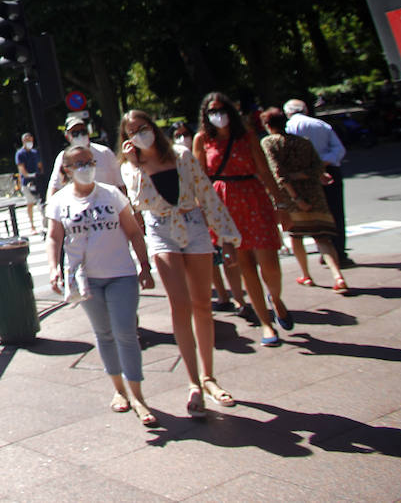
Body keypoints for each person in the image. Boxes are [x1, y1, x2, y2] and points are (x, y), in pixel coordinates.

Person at [118, 108, 242, 418]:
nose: (140, 134)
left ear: (153, 127)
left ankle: (209, 376)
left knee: (203, 304)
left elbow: (206, 194)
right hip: (161, 230)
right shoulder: (130, 168)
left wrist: (226, 236)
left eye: (143, 127)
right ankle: (193, 382)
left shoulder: (181, 155)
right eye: (132, 132)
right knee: (180, 305)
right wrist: (136, 164)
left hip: (194, 225)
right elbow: (139, 202)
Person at [46, 146, 157, 427]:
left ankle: (138, 396)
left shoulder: (111, 194)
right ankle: (119, 389)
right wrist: (54, 268)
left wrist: (144, 266)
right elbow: (54, 237)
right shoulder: (59, 201)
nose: (86, 167)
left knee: (126, 332)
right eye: (79, 163)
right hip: (86, 278)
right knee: (104, 334)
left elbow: (133, 231)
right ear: (67, 170)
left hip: (121, 274)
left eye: (89, 162)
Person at [194, 91, 291, 346]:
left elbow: (264, 170)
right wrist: (203, 212)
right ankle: (266, 323)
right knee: (245, 264)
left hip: (253, 198)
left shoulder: (246, 136)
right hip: (224, 205)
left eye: (221, 110)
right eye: (212, 111)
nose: (218, 115)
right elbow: (199, 179)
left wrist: (281, 203)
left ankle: (275, 299)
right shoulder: (202, 139)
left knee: (270, 264)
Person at [261, 107, 349, 292]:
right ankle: (338, 276)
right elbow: (318, 168)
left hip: (290, 197)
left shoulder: (269, 142)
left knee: (296, 236)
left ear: (268, 125)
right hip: (314, 193)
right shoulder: (304, 142)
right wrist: (304, 174)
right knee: (322, 237)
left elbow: (278, 173)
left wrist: (296, 197)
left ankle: (306, 275)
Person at [283, 98, 350, 266]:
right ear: (305, 109)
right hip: (329, 170)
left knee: (314, 214)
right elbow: (339, 149)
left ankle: (326, 252)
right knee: (335, 211)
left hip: (303, 175)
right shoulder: (321, 125)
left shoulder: (289, 127)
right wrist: (323, 161)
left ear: (287, 113)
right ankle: (339, 252)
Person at [49, 115, 124, 198]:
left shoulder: (105, 152)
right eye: (75, 133)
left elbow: (120, 182)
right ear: (67, 136)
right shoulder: (63, 158)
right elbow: (55, 186)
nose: (80, 135)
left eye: (83, 131)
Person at [14, 133, 41, 231]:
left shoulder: (35, 152)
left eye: (30, 140)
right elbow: (21, 168)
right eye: (27, 140)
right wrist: (29, 175)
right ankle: (32, 225)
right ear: (23, 141)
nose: (29, 142)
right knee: (30, 203)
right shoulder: (20, 154)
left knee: (40, 202)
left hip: (37, 181)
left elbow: (40, 165)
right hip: (27, 182)